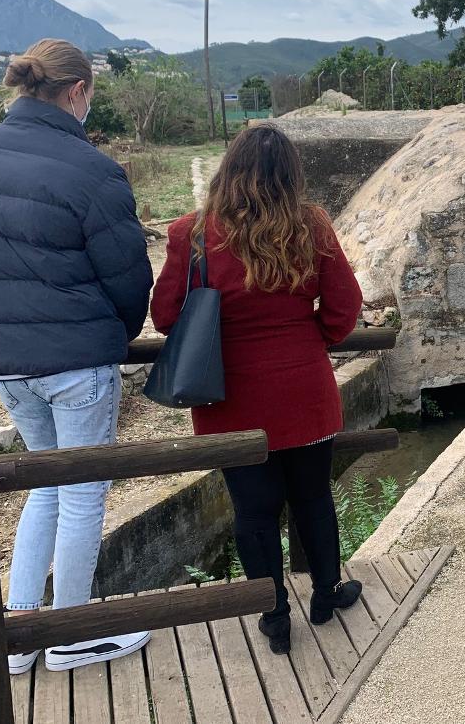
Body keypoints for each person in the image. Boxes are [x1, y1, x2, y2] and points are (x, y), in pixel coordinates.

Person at [0, 39, 154, 674]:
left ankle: (19, 633)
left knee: (44, 486)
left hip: (5, 361)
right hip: (75, 360)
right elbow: (127, 278)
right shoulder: (91, 168)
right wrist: (113, 335)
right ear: (78, 91)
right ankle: (73, 635)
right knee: (84, 491)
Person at [150, 125, 364, 655]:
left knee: (253, 511)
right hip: (305, 391)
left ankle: (273, 615)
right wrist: (311, 340)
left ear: (228, 168)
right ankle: (325, 593)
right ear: (290, 173)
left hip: (231, 399)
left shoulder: (191, 234)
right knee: (313, 498)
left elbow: (165, 316)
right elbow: (343, 307)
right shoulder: (311, 226)